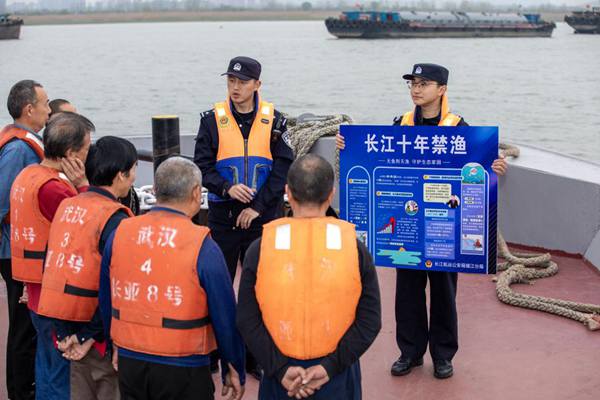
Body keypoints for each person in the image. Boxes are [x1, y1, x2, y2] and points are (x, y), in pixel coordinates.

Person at [337, 63, 508, 379]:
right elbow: (373, 157)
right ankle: (410, 352)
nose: (416, 89)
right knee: (407, 290)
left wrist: (494, 167)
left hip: (444, 227)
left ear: (441, 89)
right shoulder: (399, 125)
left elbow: (479, 167)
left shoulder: (459, 128)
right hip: (409, 227)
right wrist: (348, 148)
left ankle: (443, 355)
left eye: (424, 83)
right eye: (413, 83)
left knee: (444, 292)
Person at [99, 157, 246, 400]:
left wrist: (114, 343)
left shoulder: (121, 233)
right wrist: (234, 366)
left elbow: (106, 298)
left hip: (131, 358)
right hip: (184, 364)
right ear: (196, 192)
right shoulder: (202, 245)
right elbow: (225, 315)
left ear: (155, 191)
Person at [237, 154, 382, 399]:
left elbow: (246, 319)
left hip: (279, 379)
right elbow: (370, 321)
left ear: (288, 193)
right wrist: (329, 368)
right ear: (331, 194)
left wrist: (280, 369)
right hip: (337, 376)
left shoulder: (260, 248)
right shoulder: (355, 249)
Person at [194, 56, 294, 378]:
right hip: (224, 217)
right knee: (217, 287)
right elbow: (204, 166)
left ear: (257, 85)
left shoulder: (276, 121)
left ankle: (255, 357)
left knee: (258, 291)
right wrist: (226, 188)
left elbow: (281, 171)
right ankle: (212, 353)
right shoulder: (211, 120)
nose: (235, 88)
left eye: (242, 82)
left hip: (262, 218)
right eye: (231, 81)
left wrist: (257, 208)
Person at [36, 136, 138, 400]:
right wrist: (88, 338)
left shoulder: (67, 207)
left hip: (67, 328)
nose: (134, 178)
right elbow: (117, 285)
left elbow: (54, 267)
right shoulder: (114, 218)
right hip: (97, 334)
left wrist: (67, 334)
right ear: (120, 175)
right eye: (134, 171)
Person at [10, 112, 93, 398]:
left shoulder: (28, 175)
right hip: (57, 297)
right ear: (71, 154)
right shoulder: (54, 189)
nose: (89, 153)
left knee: (45, 366)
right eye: (86, 148)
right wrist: (82, 185)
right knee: (62, 374)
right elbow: (89, 223)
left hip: (34, 289)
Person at [0, 79, 50, 400]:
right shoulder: (18, 149)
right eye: (45, 104)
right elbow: (4, 201)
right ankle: (21, 392)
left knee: (27, 326)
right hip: (16, 249)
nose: (48, 109)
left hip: (21, 247)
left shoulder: (25, 142)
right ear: (29, 109)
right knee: (23, 329)